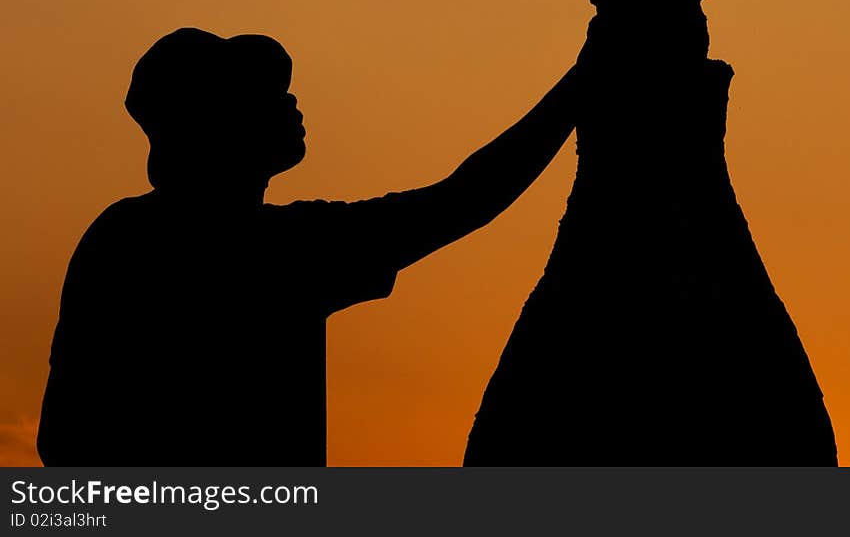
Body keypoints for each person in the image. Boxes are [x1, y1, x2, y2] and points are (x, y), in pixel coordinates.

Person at [37, 27, 583, 464]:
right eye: (264, 93)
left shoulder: (125, 234)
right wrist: (580, 85)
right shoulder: (273, 248)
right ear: (216, 122)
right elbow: (463, 201)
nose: (291, 100)